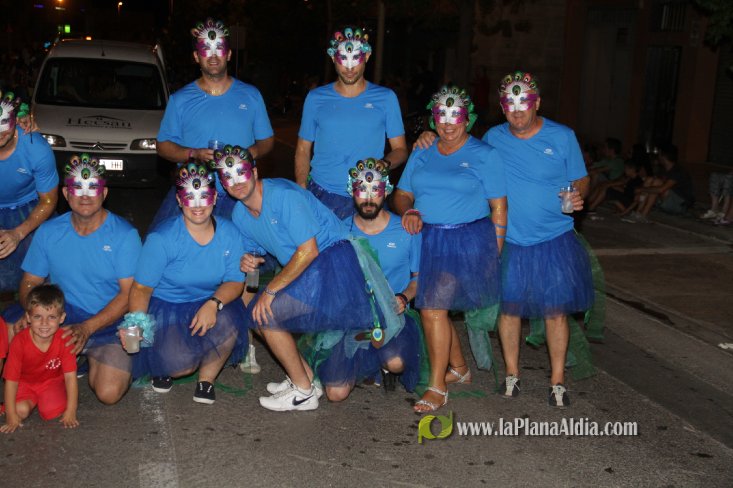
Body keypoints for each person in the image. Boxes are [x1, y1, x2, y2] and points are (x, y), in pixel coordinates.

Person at [415, 72, 594, 407]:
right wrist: (428, 134)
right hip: (509, 239)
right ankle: (512, 374)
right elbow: (458, 145)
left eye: (524, 101)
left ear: (537, 103)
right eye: (510, 103)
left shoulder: (562, 136)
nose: (517, 109)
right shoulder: (493, 138)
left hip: (553, 237)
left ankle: (557, 380)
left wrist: (577, 193)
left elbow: (581, 178)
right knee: (509, 310)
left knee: (555, 312)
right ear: (502, 108)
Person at [217, 146, 398, 411]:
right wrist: (248, 263)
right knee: (256, 312)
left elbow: (308, 250)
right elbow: (254, 256)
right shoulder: (239, 214)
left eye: (241, 173)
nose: (237, 182)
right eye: (228, 177)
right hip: (306, 269)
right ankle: (306, 379)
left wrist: (270, 292)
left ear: (254, 172)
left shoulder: (284, 196)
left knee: (266, 313)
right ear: (223, 184)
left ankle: (302, 392)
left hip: (333, 263)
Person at [393, 86, 507, 412]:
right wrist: (409, 211)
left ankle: (437, 386)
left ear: (467, 119)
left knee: (432, 308)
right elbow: (402, 195)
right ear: (433, 119)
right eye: (441, 115)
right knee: (435, 306)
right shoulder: (422, 149)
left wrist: (494, 252)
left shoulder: (485, 155)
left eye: (455, 115)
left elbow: (499, 208)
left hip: (466, 243)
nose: (448, 123)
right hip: (425, 239)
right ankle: (459, 368)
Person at [5, 154, 142, 405]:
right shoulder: (49, 231)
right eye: (77, 187)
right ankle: (62, 360)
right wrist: (30, 311)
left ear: (104, 193)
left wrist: (87, 328)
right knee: (9, 330)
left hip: (105, 322)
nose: (85, 195)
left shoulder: (125, 235)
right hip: (59, 315)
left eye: (93, 187)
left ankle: (79, 359)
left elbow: (128, 295)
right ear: (66, 194)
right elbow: (30, 282)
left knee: (109, 392)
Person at [128, 163, 247, 405]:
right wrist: (136, 328)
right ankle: (165, 363)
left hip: (207, 301)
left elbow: (236, 280)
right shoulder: (162, 238)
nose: (198, 204)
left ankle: (206, 380)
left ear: (214, 198)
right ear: (179, 201)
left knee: (231, 319)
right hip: (168, 305)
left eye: (204, 195)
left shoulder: (230, 233)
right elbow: (141, 288)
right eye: (190, 197)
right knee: (180, 366)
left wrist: (213, 303)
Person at [310, 159, 422, 401]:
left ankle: (383, 363)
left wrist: (404, 297)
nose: (368, 198)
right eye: (361, 190)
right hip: (352, 321)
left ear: (386, 191)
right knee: (335, 394)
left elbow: (419, 279)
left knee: (396, 362)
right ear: (352, 192)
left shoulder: (406, 230)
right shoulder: (341, 232)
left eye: (375, 190)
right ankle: (365, 363)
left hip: (392, 318)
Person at [152, 17, 274, 227]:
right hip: (194, 195)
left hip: (240, 195)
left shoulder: (251, 95)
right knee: (163, 241)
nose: (213, 55)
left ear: (229, 54)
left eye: (219, 48)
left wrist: (247, 154)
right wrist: (194, 154)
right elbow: (162, 146)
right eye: (206, 49)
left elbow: (267, 141)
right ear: (196, 56)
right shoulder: (180, 100)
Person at [295, 26, 408, 218]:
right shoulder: (315, 98)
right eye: (342, 59)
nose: (349, 68)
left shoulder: (386, 98)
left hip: (368, 196)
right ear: (333, 58)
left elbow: (401, 150)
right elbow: (302, 149)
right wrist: (301, 189)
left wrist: (384, 164)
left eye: (356, 58)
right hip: (321, 194)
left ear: (367, 56)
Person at [0, 90, 58, 294]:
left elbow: (49, 200)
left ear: (16, 119)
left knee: (39, 278)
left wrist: (18, 233)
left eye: (4, 123)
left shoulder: (37, 149)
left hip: (27, 208)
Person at [1, 284, 78, 433]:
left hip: (51, 381)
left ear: (62, 318)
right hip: (24, 383)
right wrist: (11, 416)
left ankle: (44, 397)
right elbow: (11, 380)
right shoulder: (19, 342)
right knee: (20, 411)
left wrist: (71, 410)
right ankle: (18, 403)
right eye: (37, 317)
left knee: (52, 412)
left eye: (51, 317)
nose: (44, 323)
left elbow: (70, 377)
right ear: (28, 317)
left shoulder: (65, 340)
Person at [622, 144, 693, 223]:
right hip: (665, 201)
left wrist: (641, 189)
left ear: (663, 156)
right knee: (649, 179)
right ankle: (638, 213)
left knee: (656, 183)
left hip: (680, 205)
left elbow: (661, 190)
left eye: (659, 154)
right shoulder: (663, 170)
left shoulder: (678, 171)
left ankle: (643, 215)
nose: (657, 157)